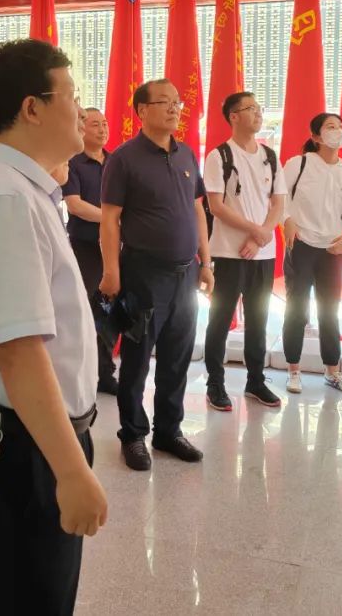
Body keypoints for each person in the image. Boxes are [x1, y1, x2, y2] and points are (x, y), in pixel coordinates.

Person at [0, 39, 107, 615]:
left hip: (27, 436)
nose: (81, 110)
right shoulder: (4, 198)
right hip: (13, 447)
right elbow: (17, 350)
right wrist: (71, 471)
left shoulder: (21, 190)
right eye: (71, 96)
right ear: (32, 108)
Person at [100, 79, 214, 472]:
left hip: (186, 273)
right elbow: (110, 219)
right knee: (136, 359)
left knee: (177, 356)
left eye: (177, 102)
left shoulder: (186, 154)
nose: (174, 108)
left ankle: (168, 430)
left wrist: (206, 261)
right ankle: (133, 434)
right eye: (164, 102)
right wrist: (111, 271)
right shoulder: (124, 159)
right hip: (144, 274)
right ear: (142, 111)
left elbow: (197, 210)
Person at [203, 92, 286, 411]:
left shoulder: (270, 156)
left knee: (258, 320)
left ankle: (256, 381)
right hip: (228, 252)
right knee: (220, 319)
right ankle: (215, 383)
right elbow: (216, 206)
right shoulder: (219, 156)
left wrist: (261, 236)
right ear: (233, 116)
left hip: (262, 254)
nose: (258, 113)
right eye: (250, 108)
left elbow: (278, 203)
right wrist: (255, 231)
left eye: (259, 108)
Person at [281, 112, 342, 395]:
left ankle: (332, 371)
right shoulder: (299, 164)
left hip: (332, 249)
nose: (338, 131)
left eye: (340, 126)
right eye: (331, 127)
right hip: (301, 245)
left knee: (329, 312)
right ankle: (293, 371)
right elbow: (278, 197)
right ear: (316, 137)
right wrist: (287, 220)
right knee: (296, 310)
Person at [62, 107, 119, 395]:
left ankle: (105, 371)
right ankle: (79, 370)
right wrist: (111, 219)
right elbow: (75, 205)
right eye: (96, 124)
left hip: (115, 246)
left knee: (111, 310)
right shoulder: (73, 163)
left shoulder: (116, 162)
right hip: (85, 247)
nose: (102, 129)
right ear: (82, 128)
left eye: (105, 124)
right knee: (84, 308)